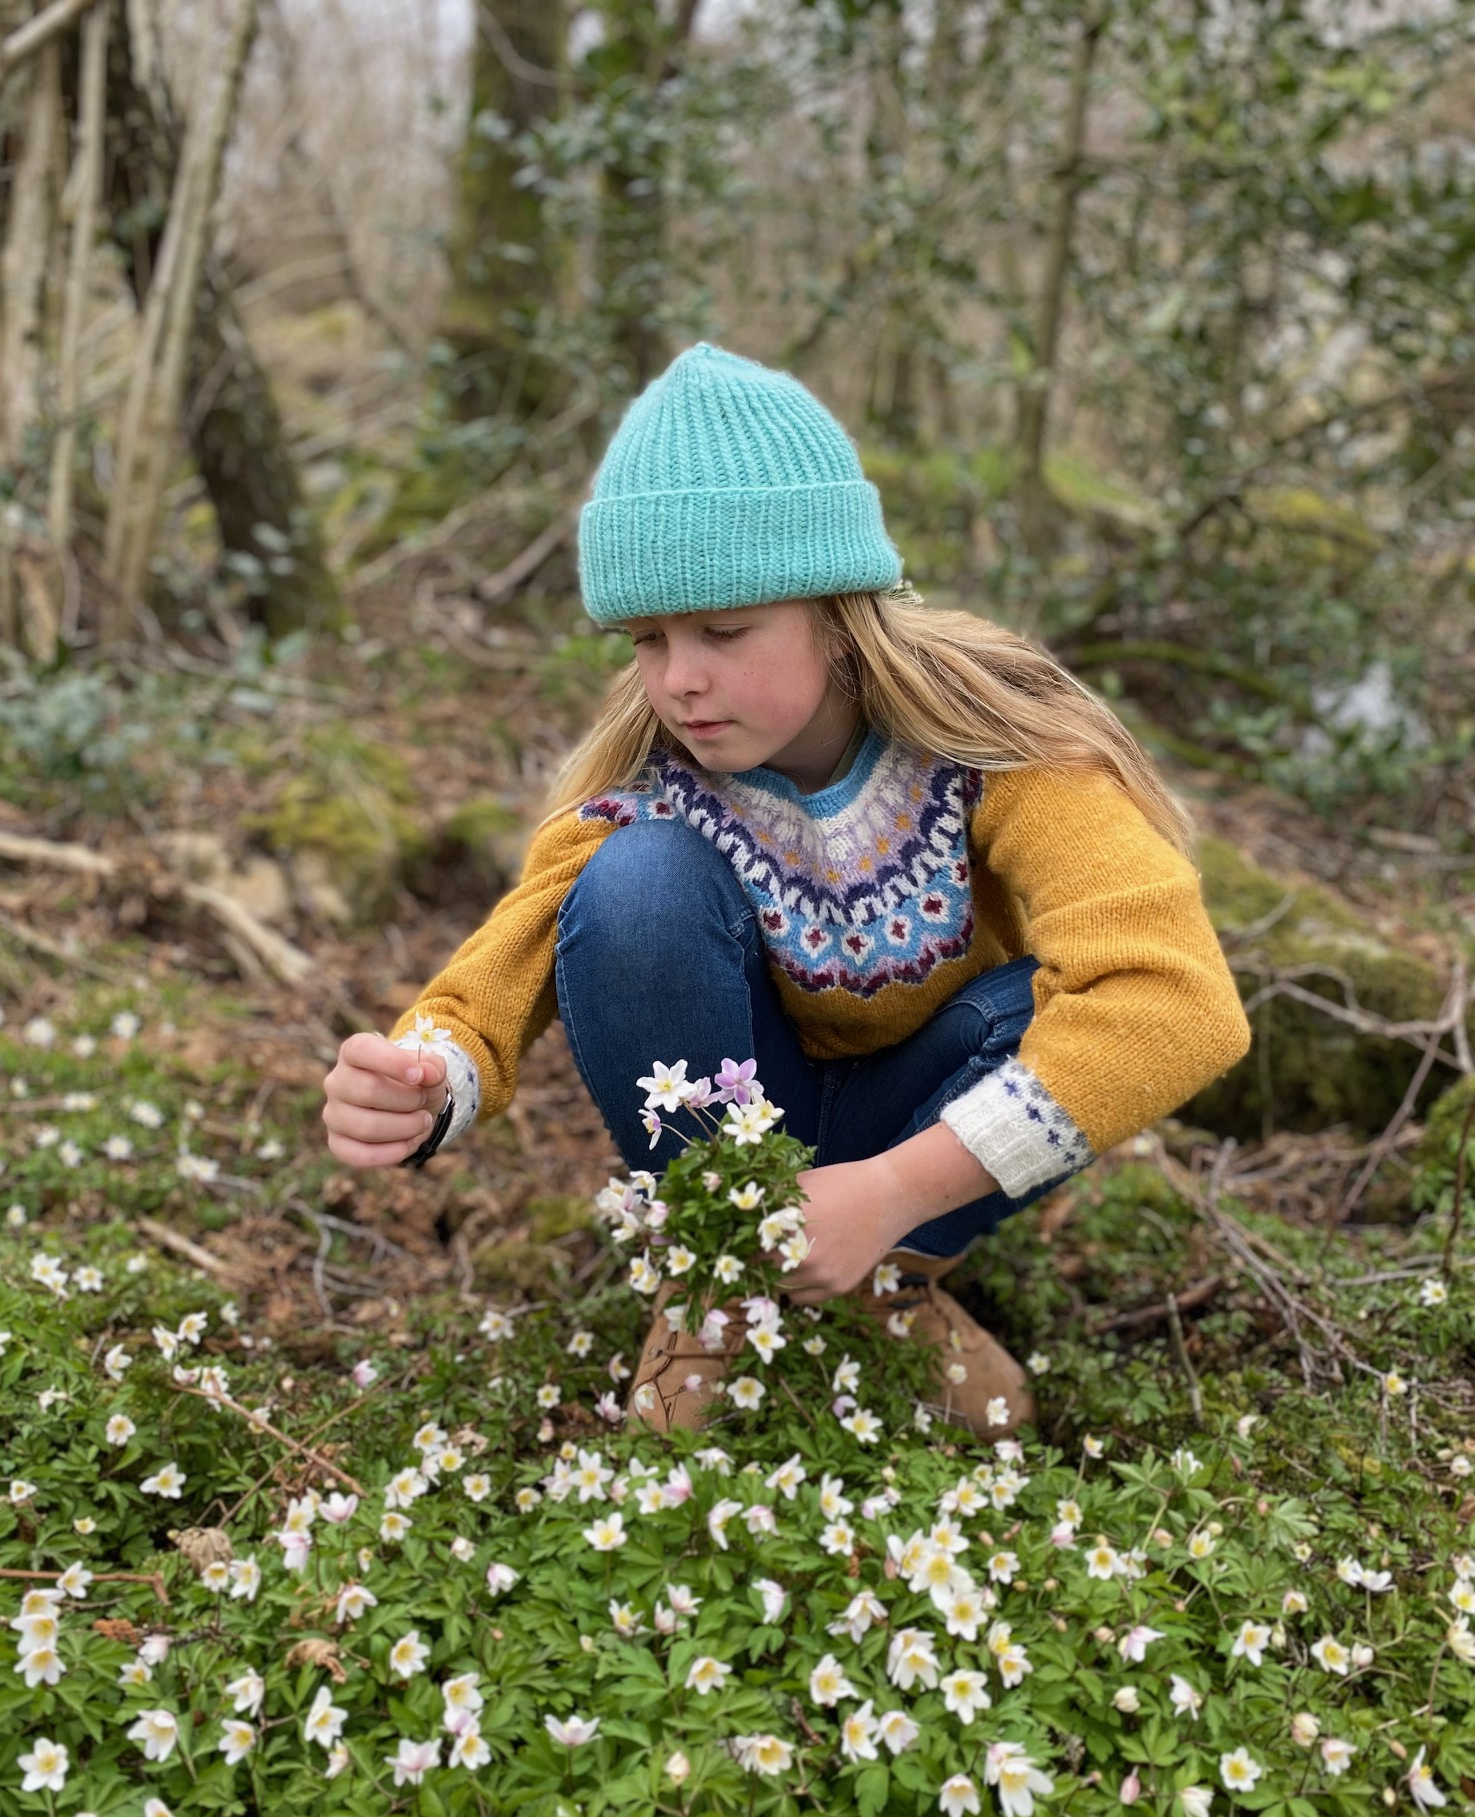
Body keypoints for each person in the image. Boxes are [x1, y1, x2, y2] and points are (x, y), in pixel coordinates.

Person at [322, 340, 1251, 1442]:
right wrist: (429, 1072)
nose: (680, 680)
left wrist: (894, 1193)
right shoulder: (656, 775)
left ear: (837, 608)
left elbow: (1181, 1000)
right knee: (635, 887)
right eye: (648, 641)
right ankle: (723, 1278)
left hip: (924, 1122)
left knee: (1049, 1003)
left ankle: (888, 1278)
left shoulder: (996, 741)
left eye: (723, 631)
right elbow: (506, 964)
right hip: (741, 1120)